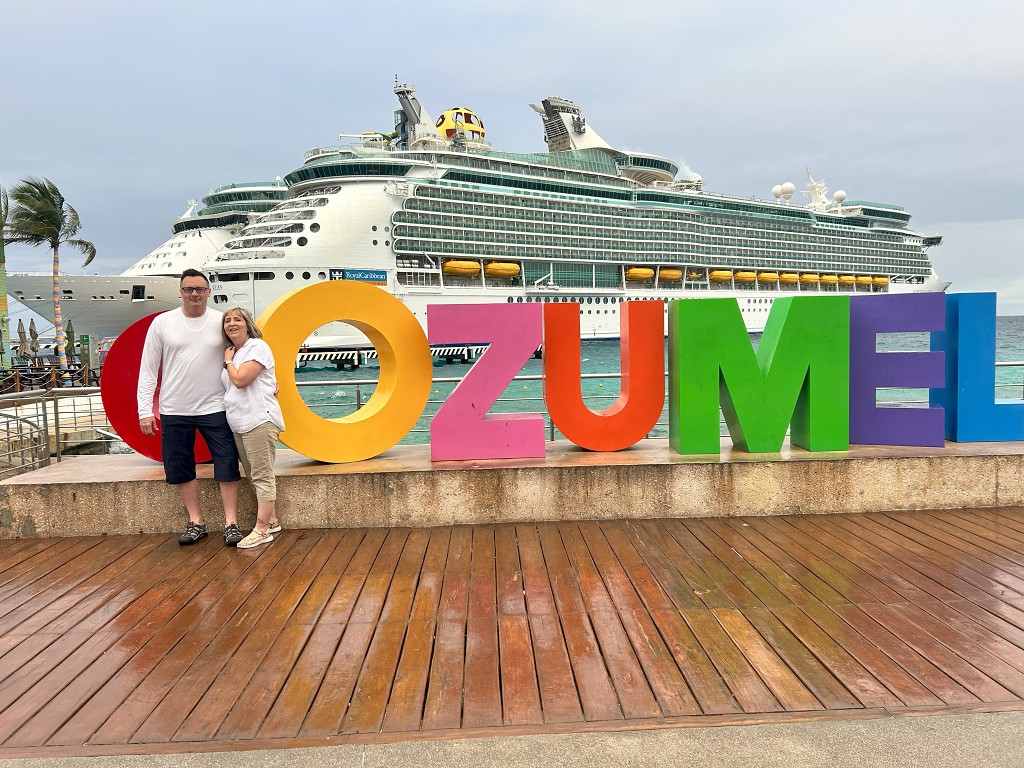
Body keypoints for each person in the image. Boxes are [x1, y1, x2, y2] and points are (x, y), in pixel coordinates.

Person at [138, 269, 244, 546]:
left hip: (216, 406)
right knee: (180, 466)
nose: (194, 294)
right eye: (188, 289)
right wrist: (144, 411)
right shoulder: (162, 323)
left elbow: (248, 351)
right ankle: (196, 522)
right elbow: (148, 369)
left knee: (227, 463)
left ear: (209, 292)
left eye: (199, 289)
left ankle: (231, 523)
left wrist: (268, 381)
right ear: (181, 292)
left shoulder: (222, 321)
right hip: (174, 408)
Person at [221, 306, 285, 549]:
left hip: (259, 420)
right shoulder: (234, 352)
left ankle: (261, 530)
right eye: (227, 320)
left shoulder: (257, 347)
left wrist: (227, 362)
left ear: (248, 324)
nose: (232, 323)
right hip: (240, 423)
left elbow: (241, 380)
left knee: (262, 476)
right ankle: (272, 521)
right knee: (253, 475)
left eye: (237, 319)